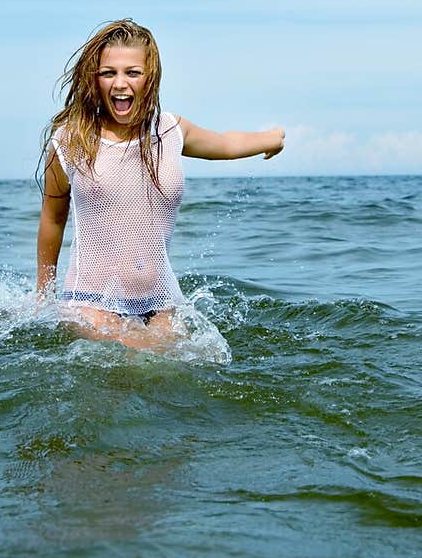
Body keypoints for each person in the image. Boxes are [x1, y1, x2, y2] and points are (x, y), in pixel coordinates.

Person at [36, 18, 284, 350]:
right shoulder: (69, 142)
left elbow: (225, 144)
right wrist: (43, 295)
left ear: (149, 77)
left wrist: (272, 139)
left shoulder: (169, 131)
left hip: (162, 303)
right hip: (89, 304)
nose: (120, 83)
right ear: (93, 79)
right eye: (108, 73)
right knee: (138, 363)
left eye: (132, 72)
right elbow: (53, 219)